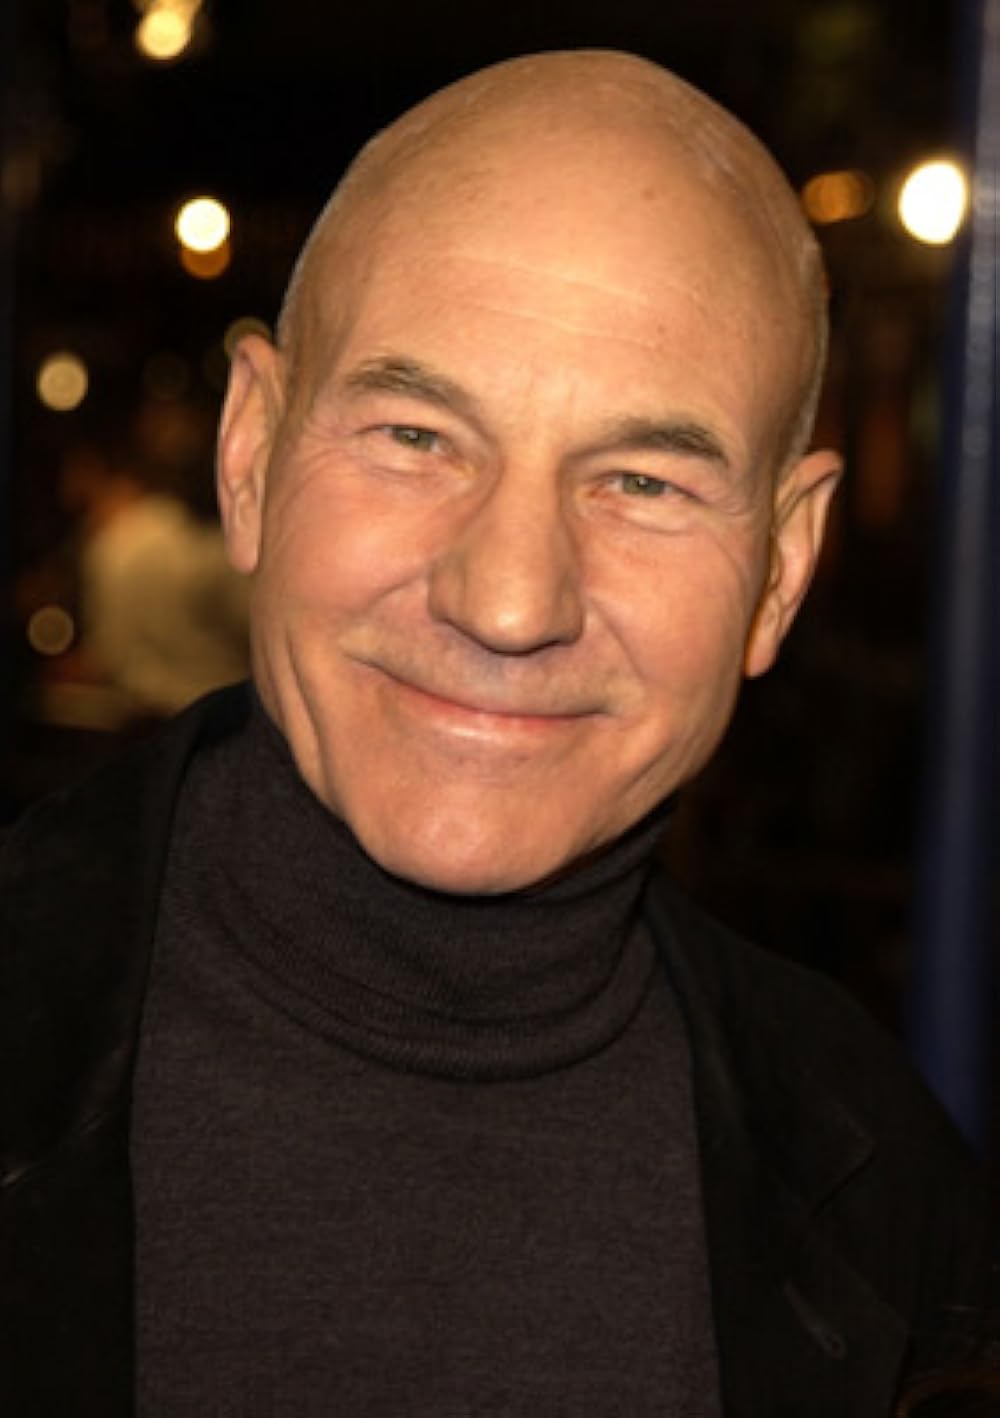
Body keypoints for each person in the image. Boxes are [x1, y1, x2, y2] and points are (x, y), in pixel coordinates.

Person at [1, 49, 995, 1418]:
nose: (512, 600)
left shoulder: (899, 1203)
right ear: (251, 456)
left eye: (642, 481)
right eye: (416, 436)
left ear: (781, 567)